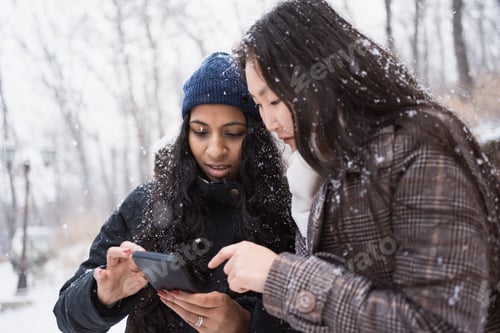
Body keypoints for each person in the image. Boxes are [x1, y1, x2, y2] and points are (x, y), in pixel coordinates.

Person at [208, 1, 500, 332]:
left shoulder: (420, 145)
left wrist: (281, 277)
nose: (270, 122)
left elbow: (443, 322)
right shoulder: (315, 173)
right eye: (259, 105)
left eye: (275, 100)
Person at [53, 52, 297, 333]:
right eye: (201, 131)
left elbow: (317, 313)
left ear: (255, 135)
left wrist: (249, 324)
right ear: (185, 134)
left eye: (232, 133)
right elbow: (66, 317)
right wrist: (102, 295)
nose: (215, 149)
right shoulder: (145, 203)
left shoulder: (288, 210)